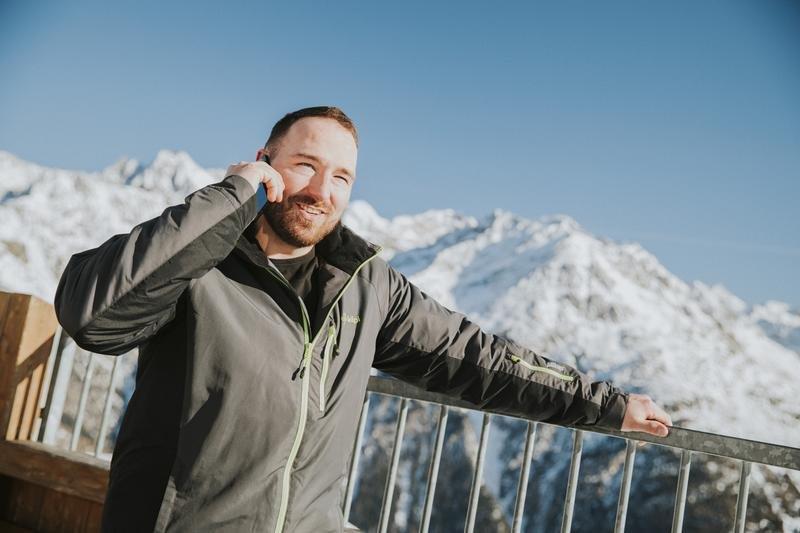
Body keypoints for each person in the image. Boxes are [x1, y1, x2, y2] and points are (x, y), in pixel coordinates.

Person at [54, 106, 672, 533]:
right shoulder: (197, 260)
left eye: (341, 176)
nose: (321, 190)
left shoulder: (365, 283)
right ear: (264, 161)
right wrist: (230, 197)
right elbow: (92, 315)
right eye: (305, 164)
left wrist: (605, 405)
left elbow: (475, 357)